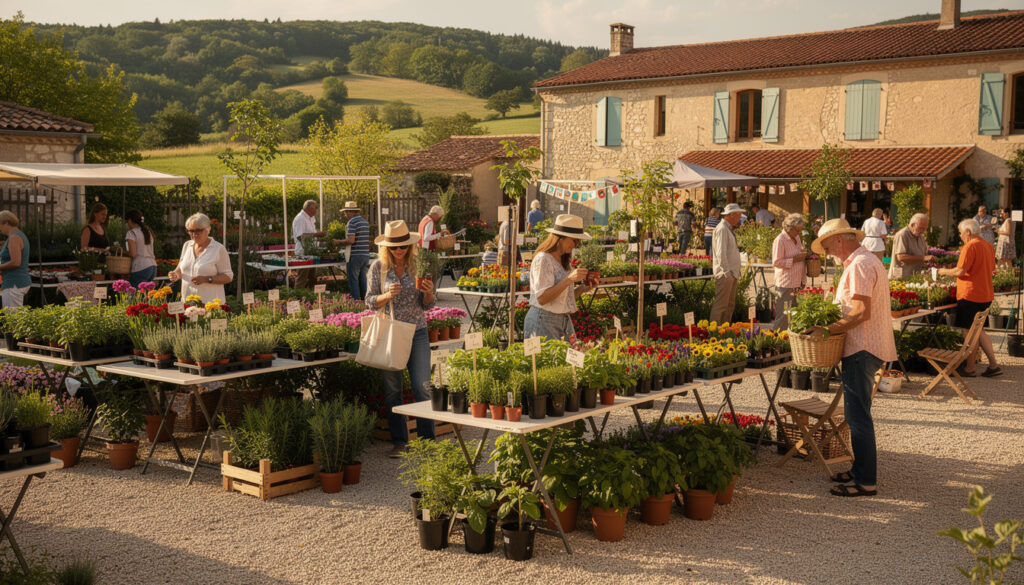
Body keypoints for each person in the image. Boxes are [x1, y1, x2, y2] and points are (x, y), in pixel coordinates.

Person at [809, 218, 897, 498]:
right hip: (868, 345)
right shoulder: (867, 260)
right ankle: (859, 471)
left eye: (826, 246)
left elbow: (860, 312)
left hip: (862, 347)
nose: (827, 252)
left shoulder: (859, 265)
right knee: (857, 414)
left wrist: (826, 329)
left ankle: (865, 481)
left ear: (838, 240)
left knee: (858, 416)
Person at [364, 220, 436, 457]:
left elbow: (427, 306)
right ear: (386, 248)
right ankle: (399, 441)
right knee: (393, 389)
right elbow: (369, 301)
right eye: (394, 247)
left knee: (422, 387)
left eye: (403, 246)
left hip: (417, 331)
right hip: (391, 333)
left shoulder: (416, 266)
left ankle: (427, 442)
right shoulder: (377, 268)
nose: (399, 251)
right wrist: (387, 295)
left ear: (409, 246)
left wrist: (428, 294)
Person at [938, 219, 1001, 377]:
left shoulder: (970, 246)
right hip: (985, 293)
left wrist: (943, 272)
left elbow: (960, 271)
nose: (960, 236)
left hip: (970, 294)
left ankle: (970, 367)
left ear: (967, 232)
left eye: (961, 233)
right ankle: (993, 365)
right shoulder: (988, 245)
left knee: (970, 332)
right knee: (978, 330)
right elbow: (992, 268)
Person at [523, 214, 594, 341]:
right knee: (545, 360)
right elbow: (543, 298)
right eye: (574, 240)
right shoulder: (543, 259)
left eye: (578, 241)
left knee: (569, 359)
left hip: (562, 320)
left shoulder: (564, 261)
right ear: (560, 238)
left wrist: (583, 288)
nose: (576, 245)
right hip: (543, 321)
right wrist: (569, 279)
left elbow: (562, 297)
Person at [168, 213, 233, 302]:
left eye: (199, 230)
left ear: (207, 230)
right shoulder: (187, 245)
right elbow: (181, 268)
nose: (194, 234)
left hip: (210, 305)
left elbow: (228, 277)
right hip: (188, 302)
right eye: (191, 231)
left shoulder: (218, 249)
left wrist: (207, 279)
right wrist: (175, 275)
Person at [771, 213, 807, 329]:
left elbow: (797, 254)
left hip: (796, 281)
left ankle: (789, 340)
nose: (799, 233)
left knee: (793, 314)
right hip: (785, 282)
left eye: (800, 230)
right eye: (797, 230)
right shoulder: (780, 240)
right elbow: (776, 262)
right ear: (789, 228)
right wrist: (795, 259)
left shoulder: (796, 237)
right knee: (783, 315)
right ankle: (776, 340)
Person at [710, 203, 743, 324]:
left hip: (731, 273)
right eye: (738, 216)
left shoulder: (727, 228)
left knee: (729, 305)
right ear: (731, 215)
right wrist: (726, 272)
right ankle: (714, 332)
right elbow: (720, 253)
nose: (739, 219)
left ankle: (725, 331)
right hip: (726, 274)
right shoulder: (722, 228)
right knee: (721, 305)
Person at [338, 201, 370, 300]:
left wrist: (338, 242)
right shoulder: (365, 222)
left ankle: (356, 303)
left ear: (350, 211)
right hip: (365, 255)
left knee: (353, 281)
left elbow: (351, 240)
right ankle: (366, 301)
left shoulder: (352, 222)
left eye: (346, 212)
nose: (345, 214)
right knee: (363, 280)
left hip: (355, 255)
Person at [889, 213, 936, 279]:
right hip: (901, 277)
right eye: (921, 228)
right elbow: (901, 257)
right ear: (912, 225)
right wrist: (923, 258)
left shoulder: (920, 236)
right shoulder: (902, 235)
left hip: (914, 277)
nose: (924, 231)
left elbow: (923, 254)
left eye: (925, 229)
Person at [0, 211, 31, 309]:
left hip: (14, 283)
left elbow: (16, 262)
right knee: (15, 318)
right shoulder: (18, 235)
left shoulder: (14, 238)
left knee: (13, 319)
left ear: (6, 222)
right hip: (16, 282)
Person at [292, 200, 325, 290]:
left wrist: (319, 235)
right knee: (302, 277)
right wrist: (316, 235)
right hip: (303, 252)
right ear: (309, 208)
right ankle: (297, 298)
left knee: (312, 278)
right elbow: (299, 236)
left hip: (310, 252)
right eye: (315, 208)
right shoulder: (301, 218)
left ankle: (312, 298)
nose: (317, 210)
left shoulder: (310, 218)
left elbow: (310, 233)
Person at [124, 210, 157, 288]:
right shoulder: (147, 231)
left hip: (140, 267)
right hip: (152, 267)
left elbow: (133, 254)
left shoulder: (131, 233)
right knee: (145, 296)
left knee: (134, 296)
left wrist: (124, 252)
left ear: (129, 220)